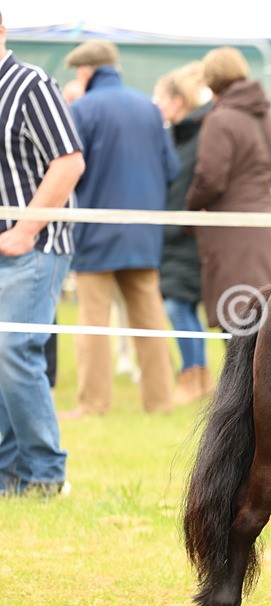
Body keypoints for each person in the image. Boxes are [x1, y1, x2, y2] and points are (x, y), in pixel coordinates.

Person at [59, 40, 180, 418]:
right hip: (144, 231)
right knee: (150, 320)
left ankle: (93, 404)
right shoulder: (149, 108)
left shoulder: (81, 109)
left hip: (96, 231)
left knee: (93, 321)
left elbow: (69, 169)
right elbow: (172, 169)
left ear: (84, 71)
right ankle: (160, 401)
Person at [0, 13, 86, 496]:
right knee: (2, 358)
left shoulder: (30, 84)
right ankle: (11, 473)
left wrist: (25, 227)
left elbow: (69, 160)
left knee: (15, 352)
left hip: (35, 245)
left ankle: (46, 473)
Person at [186, 47, 271, 332]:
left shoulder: (220, 119)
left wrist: (191, 206)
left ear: (211, 79)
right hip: (267, 226)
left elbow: (210, 178)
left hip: (232, 232)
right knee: (265, 322)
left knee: (237, 325)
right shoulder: (265, 116)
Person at [154, 61, 214, 404]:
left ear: (178, 101)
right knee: (181, 306)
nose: (159, 106)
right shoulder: (180, 135)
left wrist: (181, 223)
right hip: (177, 232)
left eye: (162, 98)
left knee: (179, 305)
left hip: (187, 235)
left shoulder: (197, 135)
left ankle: (194, 376)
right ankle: (197, 376)